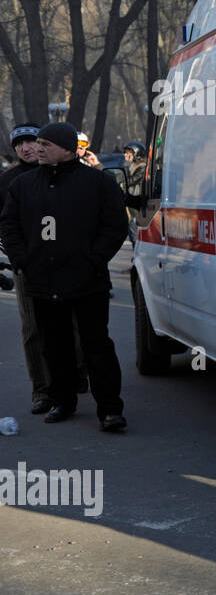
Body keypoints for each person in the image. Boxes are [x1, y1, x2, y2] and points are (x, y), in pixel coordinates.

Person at [0, 122, 129, 431]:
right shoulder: (23, 185)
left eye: (46, 143)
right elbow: (10, 226)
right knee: (54, 345)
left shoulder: (97, 183)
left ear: (68, 150)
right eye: (37, 143)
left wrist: (94, 259)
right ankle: (62, 400)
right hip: (42, 281)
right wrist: (22, 261)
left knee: (95, 345)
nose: (38, 148)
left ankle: (110, 409)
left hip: (88, 281)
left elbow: (114, 226)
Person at [0, 124, 55, 414]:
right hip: (27, 264)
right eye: (19, 144)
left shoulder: (62, 173)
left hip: (66, 263)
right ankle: (42, 389)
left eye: (31, 141)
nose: (26, 148)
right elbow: (4, 225)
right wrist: (17, 257)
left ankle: (77, 376)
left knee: (71, 324)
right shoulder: (8, 181)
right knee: (32, 326)